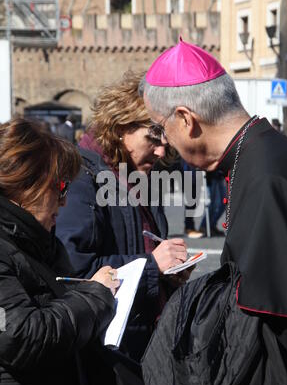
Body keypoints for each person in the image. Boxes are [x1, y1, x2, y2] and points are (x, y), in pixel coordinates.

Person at [141, 38, 287, 385]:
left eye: (161, 128)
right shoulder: (261, 150)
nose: (165, 142)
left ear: (185, 118)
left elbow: (285, 314)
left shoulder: (264, 176)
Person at [0, 117, 147, 385]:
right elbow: (19, 335)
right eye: (60, 188)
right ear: (25, 185)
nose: (64, 202)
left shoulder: (38, 240)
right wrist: (94, 296)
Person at [56, 70, 188, 362]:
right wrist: (152, 266)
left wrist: (171, 273)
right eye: (153, 137)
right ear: (119, 126)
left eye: (165, 138)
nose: (161, 148)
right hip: (105, 349)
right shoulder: (83, 177)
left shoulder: (139, 177)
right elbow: (74, 269)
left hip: (144, 338)